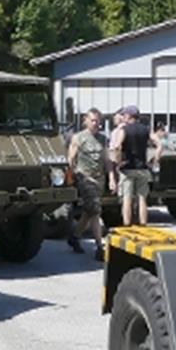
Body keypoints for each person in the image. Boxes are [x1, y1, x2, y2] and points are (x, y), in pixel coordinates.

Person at [66, 107, 110, 260]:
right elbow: (71, 159)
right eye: (92, 120)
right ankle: (99, 246)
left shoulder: (103, 139)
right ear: (85, 120)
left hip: (99, 179)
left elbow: (106, 159)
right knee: (96, 211)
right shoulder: (78, 138)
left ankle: (75, 237)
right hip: (84, 178)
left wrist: (112, 178)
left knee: (89, 211)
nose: (96, 124)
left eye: (98, 121)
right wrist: (71, 177)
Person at [108, 105, 152, 227]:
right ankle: (143, 224)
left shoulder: (124, 130)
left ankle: (127, 224)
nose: (123, 117)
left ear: (128, 116)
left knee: (127, 198)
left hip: (128, 168)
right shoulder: (146, 129)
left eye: (124, 115)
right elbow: (159, 144)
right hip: (142, 168)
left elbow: (117, 146)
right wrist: (154, 160)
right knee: (142, 198)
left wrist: (118, 160)